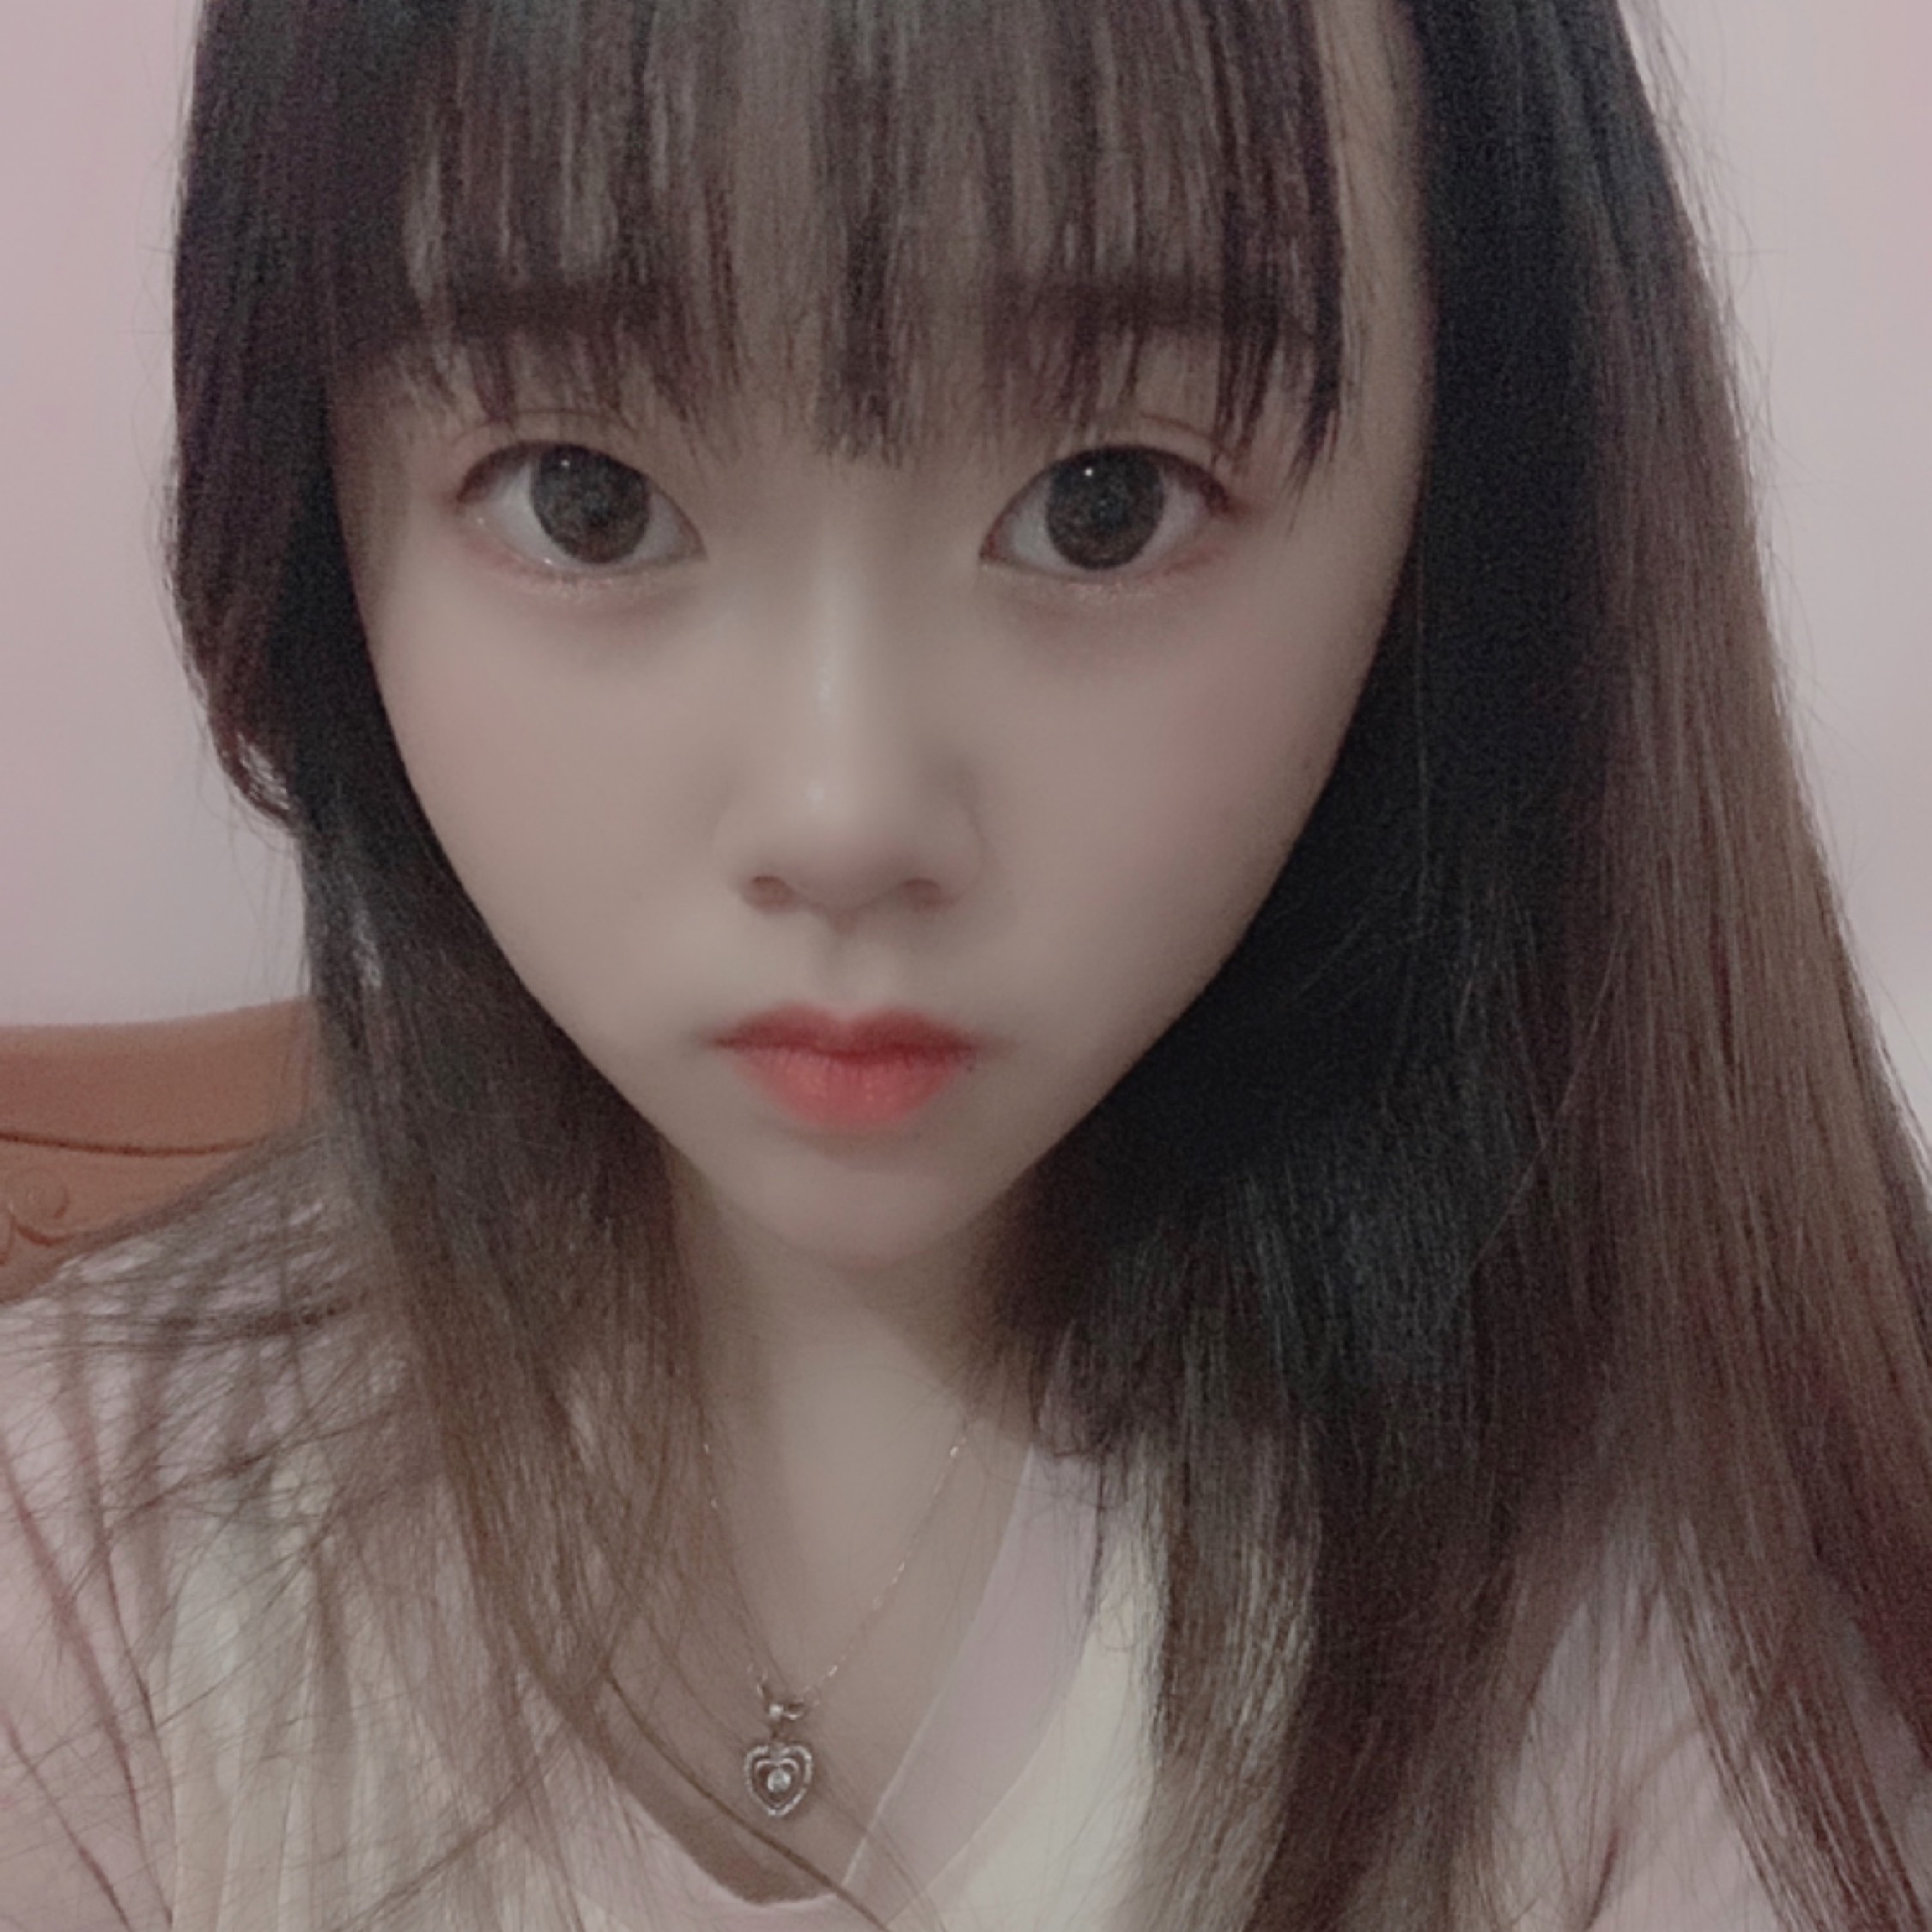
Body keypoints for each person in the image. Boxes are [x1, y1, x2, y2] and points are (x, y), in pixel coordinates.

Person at [3, 0, 1929, 1925]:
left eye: (1107, 503)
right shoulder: (85, 1556)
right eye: (586, 496)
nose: (842, 813)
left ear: (1465, 506)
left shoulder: (1660, 1620)